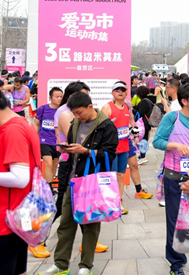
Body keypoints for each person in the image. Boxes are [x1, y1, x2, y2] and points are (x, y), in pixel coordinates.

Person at [41, 92, 118, 275]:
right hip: (73, 181)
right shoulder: (75, 123)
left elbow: (109, 155)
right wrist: (67, 149)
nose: (77, 116)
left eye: (79, 112)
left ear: (90, 107)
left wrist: (85, 151)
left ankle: (85, 266)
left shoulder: (106, 125)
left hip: (91, 183)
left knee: (90, 226)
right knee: (65, 224)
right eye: (74, 113)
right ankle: (61, 265)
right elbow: (73, 146)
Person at [152, 83, 189, 275]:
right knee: (174, 221)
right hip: (174, 177)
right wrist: (175, 145)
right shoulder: (172, 117)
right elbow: (157, 141)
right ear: (184, 101)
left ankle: (182, 251)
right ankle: (176, 263)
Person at [0, 90, 41, 274]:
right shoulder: (22, 123)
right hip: (20, 214)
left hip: (7, 218)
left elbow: (20, 178)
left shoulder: (12, 130)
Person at [101, 81, 152, 214]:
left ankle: (119, 201)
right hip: (112, 146)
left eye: (123, 90)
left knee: (121, 174)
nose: (120, 92)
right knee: (113, 174)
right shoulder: (107, 107)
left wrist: (135, 135)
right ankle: (111, 202)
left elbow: (131, 121)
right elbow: (101, 127)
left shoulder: (127, 105)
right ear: (112, 93)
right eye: (117, 90)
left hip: (125, 143)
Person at [35, 87, 63, 187]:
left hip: (58, 142)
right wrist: (35, 138)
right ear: (50, 98)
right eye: (56, 97)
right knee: (48, 163)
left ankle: (49, 184)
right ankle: (49, 188)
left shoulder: (63, 111)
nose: (59, 99)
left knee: (55, 165)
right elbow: (36, 124)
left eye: (61, 96)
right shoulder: (42, 109)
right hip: (45, 141)